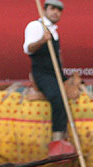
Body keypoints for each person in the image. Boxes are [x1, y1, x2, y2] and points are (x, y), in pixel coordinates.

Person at [23, 0, 75, 156]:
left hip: (56, 73)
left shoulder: (53, 30)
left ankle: (70, 136)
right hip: (42, 74)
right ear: (45, 9)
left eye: (59, 10)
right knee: (58, 98)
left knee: (76, 91)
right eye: (52, 9)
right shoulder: (36, 26)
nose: (55, 12)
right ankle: (57, 141)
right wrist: (42, 40)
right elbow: (28, 49)